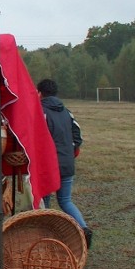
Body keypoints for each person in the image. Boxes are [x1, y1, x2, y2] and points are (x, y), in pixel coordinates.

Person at [37, 78, 92, 248]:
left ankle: (45, 236)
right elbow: (78, 136)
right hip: (67, 163)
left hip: (48, 165)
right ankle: (83, 228)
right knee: (66, 201)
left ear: (40, 93)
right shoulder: (67, 112)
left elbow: (37, 139)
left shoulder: (41, 112)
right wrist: (71, 152)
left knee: (44, 201)